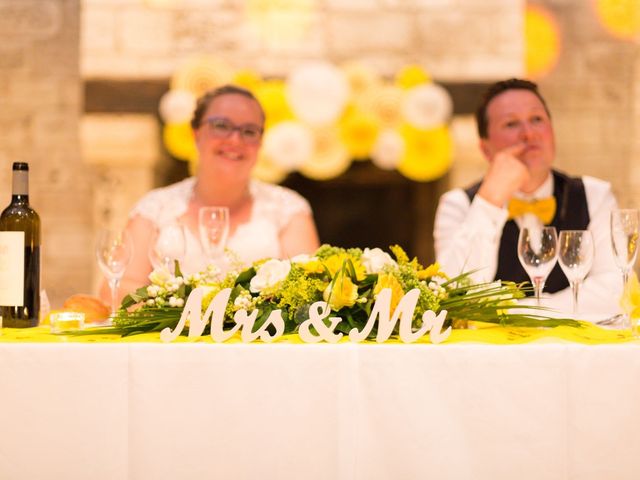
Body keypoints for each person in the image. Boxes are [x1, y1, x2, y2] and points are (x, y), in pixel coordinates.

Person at [101, 84, 320, 303]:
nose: (235, 140)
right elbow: (117, 288)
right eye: (221, 126)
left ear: (260, 142)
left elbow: (309, 293)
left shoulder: (288, 209)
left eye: (249, 131)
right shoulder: (155, 207)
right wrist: (183, 315)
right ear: (196, 133)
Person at [434, 78, 621, 315]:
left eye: (537, 119)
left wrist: (520, 312)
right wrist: (490, 200)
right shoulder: (457, 205)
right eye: (511, 124)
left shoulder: (594, 195)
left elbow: (613, 291)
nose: (529, 134)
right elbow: (454, 295)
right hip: (492, 350)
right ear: (485, 149)